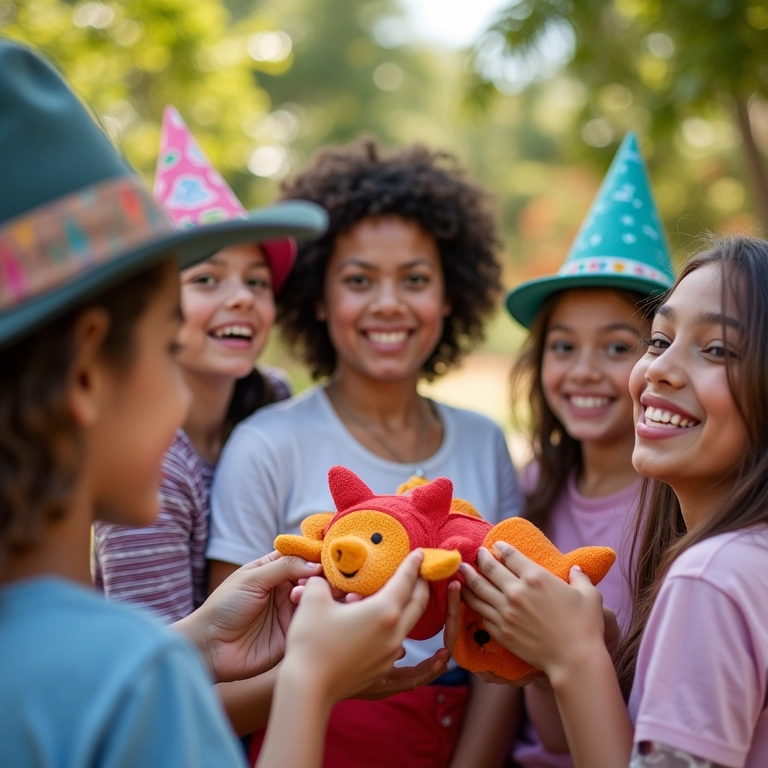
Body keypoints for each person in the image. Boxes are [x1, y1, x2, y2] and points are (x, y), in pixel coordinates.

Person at [0, 40, 431, 768]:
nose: (178, 393)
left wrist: (191, 641)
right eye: (167, 345)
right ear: (85, 375)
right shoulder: (136, 680)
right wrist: (313, 680)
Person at [207, 138, 523, 768]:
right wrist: (327, 678)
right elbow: (219, 688)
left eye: (415, 279)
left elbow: (502, 654)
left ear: (450, 296)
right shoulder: (266, 445)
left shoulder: (485, 442)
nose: (388, 303)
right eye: (358, 280)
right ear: (318, 299)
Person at [454, 235, 768, 768]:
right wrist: (564, 658)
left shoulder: (712, 576)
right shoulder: (533, 489)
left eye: (716, 349)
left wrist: (574, 657)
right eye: (661, 340)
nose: (661, 368)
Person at [503, 132, 674, 768]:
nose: (583, 371)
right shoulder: (532, 488)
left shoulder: (680, 500)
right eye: (563, 346)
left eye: (617, 346)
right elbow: (550, 735)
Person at [92, 106, 293, 624]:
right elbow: (157, 658)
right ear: (156, 309)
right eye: (207, 280)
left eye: (256, 281)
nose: (242, 299)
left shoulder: (272, 399)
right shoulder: (149, 467)